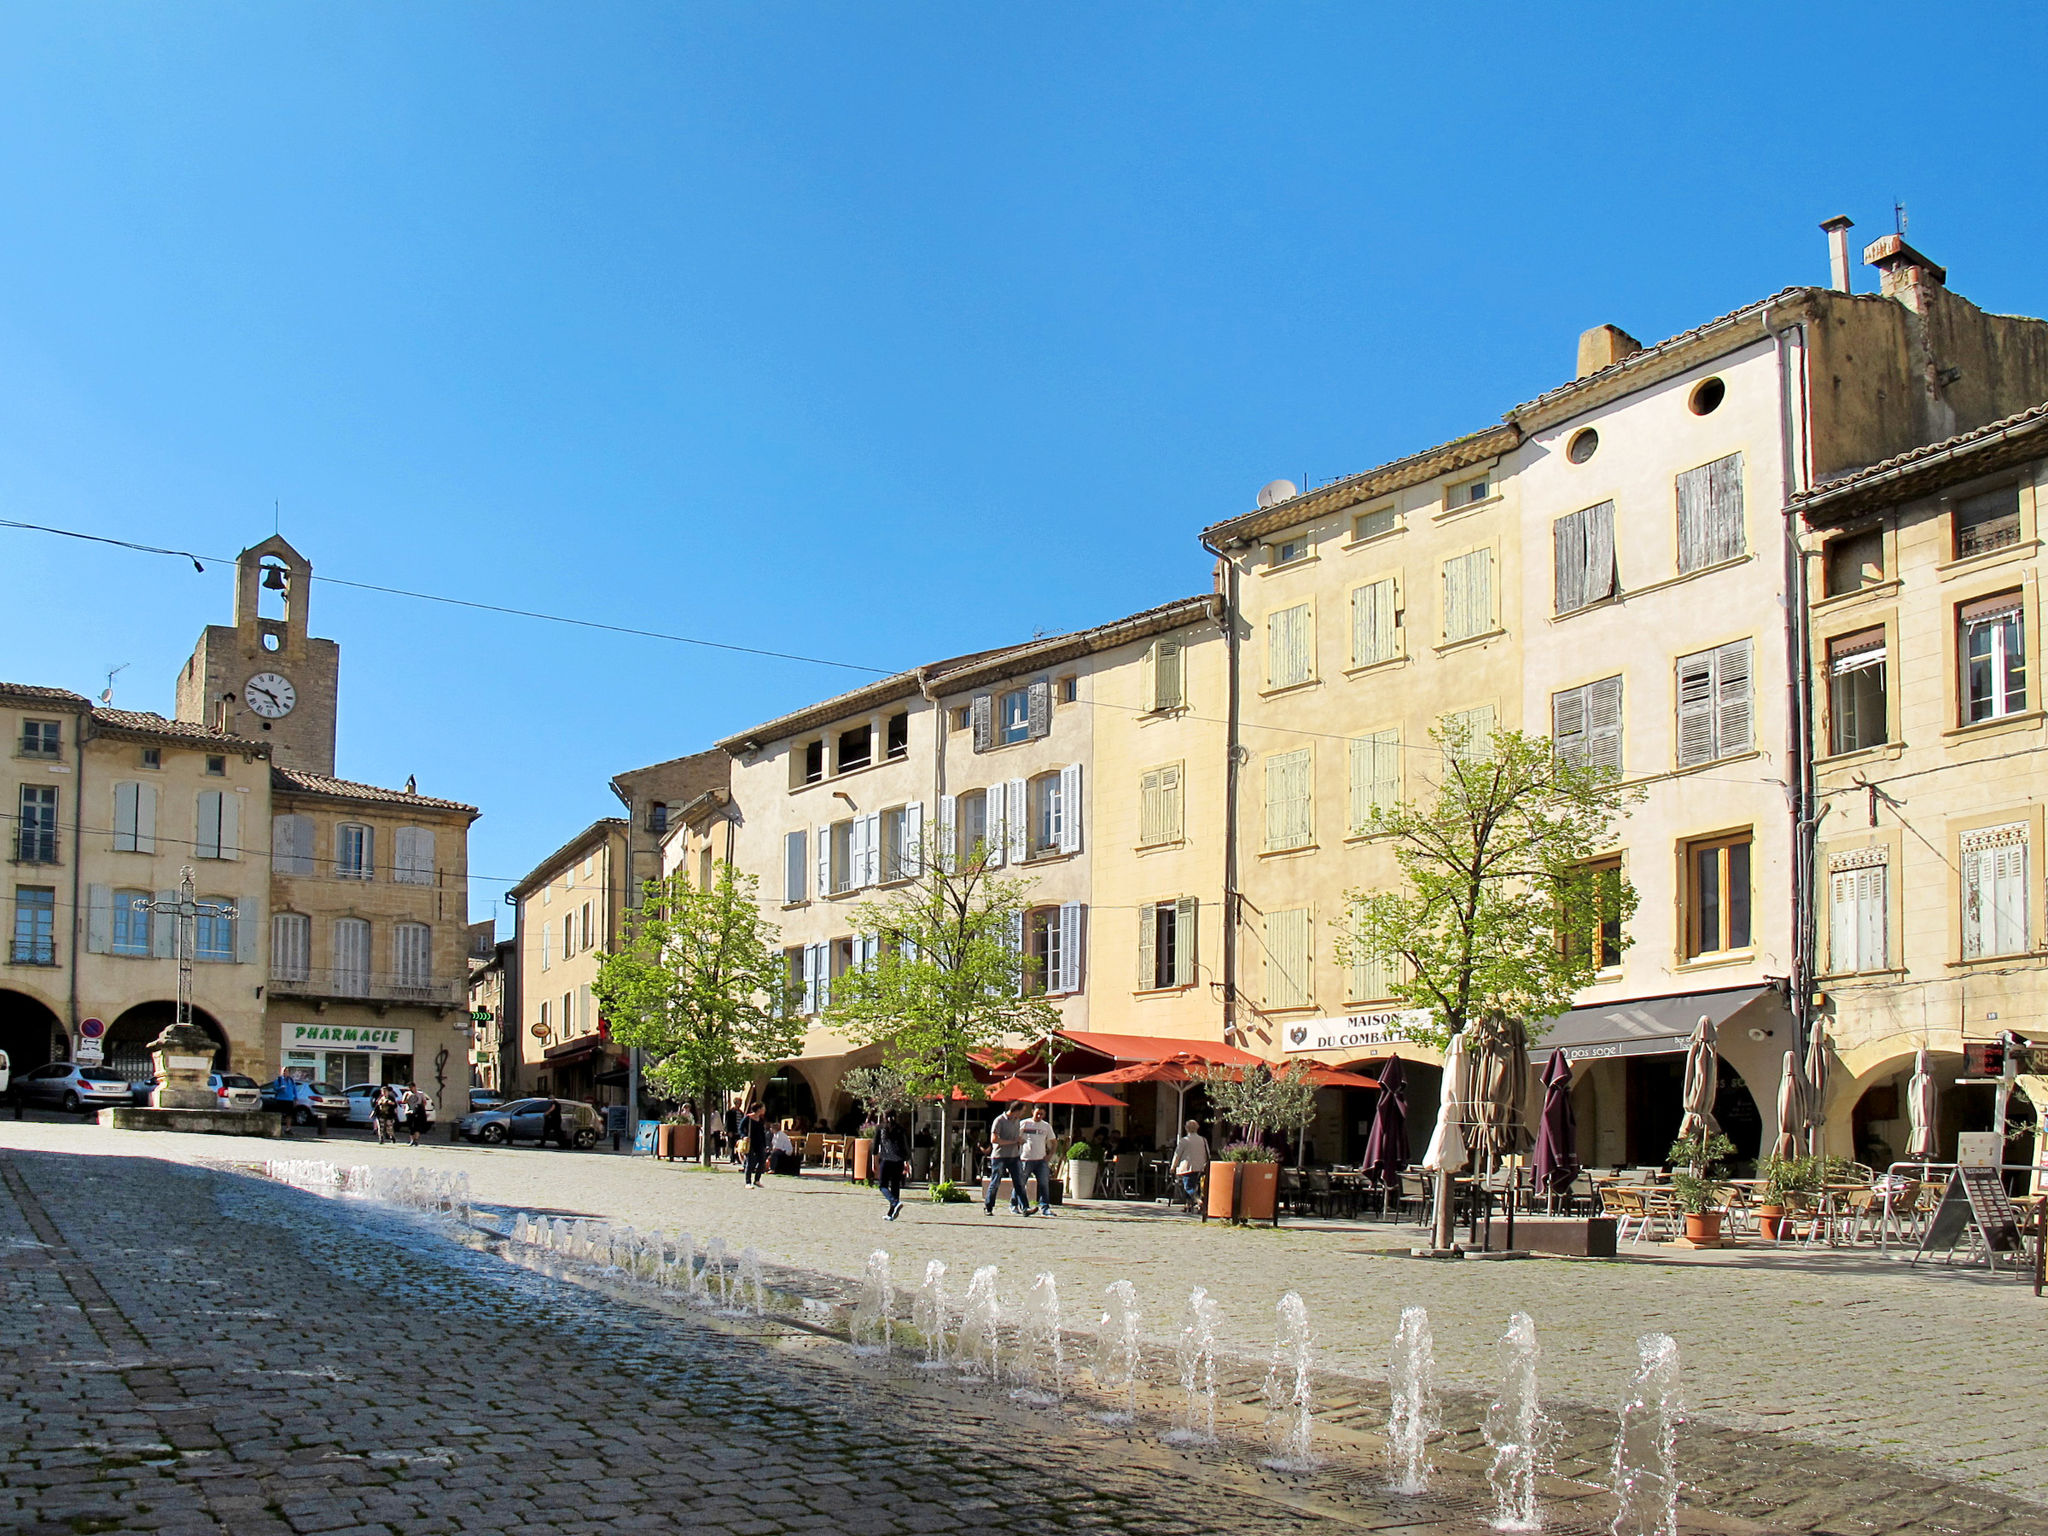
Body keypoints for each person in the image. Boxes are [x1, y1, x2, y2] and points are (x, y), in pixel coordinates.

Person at [983, 1104, 1032, 1216]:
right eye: (1021, 1111)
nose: (1022, 1114)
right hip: (999, 1156)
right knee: (995, 1181)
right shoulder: (999, 1121)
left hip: (1013, 1156)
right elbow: (994, 1139)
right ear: (1016, 1110)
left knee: (1019, 1182)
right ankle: (988, 1206)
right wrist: (1013, 1142)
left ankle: (1025, 1207)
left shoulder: (1017, 1121)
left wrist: (1019, 1142)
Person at [1019, 1106, 1056, 1216]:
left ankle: (1045, 1207)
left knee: (1044, 1183)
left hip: (1041, 1160)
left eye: (1042, 1114)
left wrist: (1050, 1155)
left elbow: (1054, 1141)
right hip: (1026, 1158)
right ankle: (1015, 1204)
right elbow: (1015, 1137)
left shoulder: (1046, 1126)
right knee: (1021, 1183)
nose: (1039, 1116)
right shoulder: (1024, 1123)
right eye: (1037, 1113)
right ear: (1032, 1112)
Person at [875, 1113, 910, 1221]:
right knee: (895, 1186)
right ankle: (891, 1213)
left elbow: (875, 1147)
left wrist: (874, 1163)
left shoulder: (881, 1129)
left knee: (882, 1185)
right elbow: (905, 1147)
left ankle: (895, 1203)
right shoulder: (900, 1129)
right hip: (898, 1161)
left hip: (886, 1160)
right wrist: (906, 1162)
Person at [1171, 1118, 1211, 1214]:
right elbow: (1208, 1154)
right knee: (1195, 1186)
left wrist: (1173, 1166)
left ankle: (1197, 1201)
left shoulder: (1184, 1141)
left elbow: (1177, 1155)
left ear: (1186, 1128)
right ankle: (1188, 1205)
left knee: (1188, 1187)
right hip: (1200, 1167)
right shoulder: (1203, 1140)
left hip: (1188, 1167)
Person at [741, 1105, 769, 1186]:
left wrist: (765, 1145)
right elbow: (741, 1128)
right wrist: (744, 1136)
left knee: (762, 1161)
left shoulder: (761, 1119)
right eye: (763, 1108)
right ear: (758, 1109)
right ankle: (748, 1182)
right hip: (750, 1142)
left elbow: (762, 1133)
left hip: (759, 1143)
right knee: (750, 1162)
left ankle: (757, 1180)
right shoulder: (748, 1118)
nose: (764, 1110)